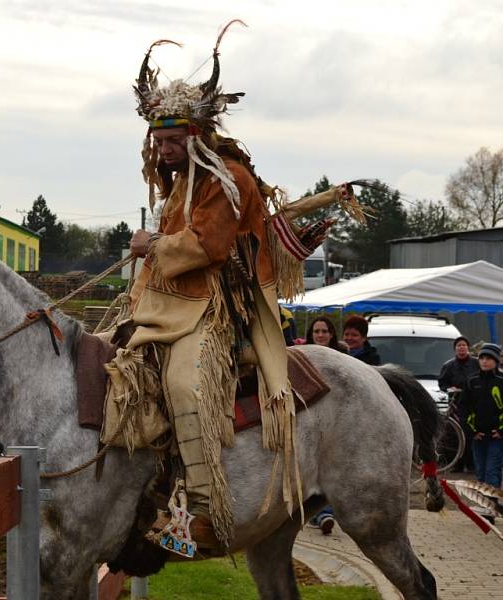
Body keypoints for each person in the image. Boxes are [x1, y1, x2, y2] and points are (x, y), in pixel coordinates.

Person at [105, 23, 367, 556]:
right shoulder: (183, 182)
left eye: (174, 140)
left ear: (196, 135)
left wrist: (153, 244)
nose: (165, 148)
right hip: (169, 305)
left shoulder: (228, 177)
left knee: (184, 383)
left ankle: (202, 511)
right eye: (159, 139)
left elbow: (208, 246)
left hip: (218, 311)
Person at [304, 316, 346, 534]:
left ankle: (324, 513)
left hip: (335, 424)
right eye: (317, 331)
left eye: (324, 331)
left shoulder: (342, 359)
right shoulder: (303, 358)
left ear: (331, 334)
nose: (320, 335)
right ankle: (320, 514)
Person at [438, 336, 480, 472]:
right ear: (455, 349)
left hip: (473, 404)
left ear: (468, 348)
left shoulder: (477, 363)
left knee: (471, 433)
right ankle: (457, 464)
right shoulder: (448, 366)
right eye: (459, 346)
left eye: (464, 346)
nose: (461, 348)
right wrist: (450, 389)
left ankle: (472, 464)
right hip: (456, 404)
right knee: (455, 435)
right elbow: (442, 383)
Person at [464, 343, 503, 489]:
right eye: (482, 358)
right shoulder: (472, 381)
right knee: (480, 473)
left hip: (497, 437)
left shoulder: (501, 381)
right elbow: (464, 408)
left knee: (492, 472)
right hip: (478, 436)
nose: (484, 361)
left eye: (489, 358)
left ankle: (492, 507)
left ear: (496, 361)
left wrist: (501, 431)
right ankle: (483, 506)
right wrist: (471, 432)